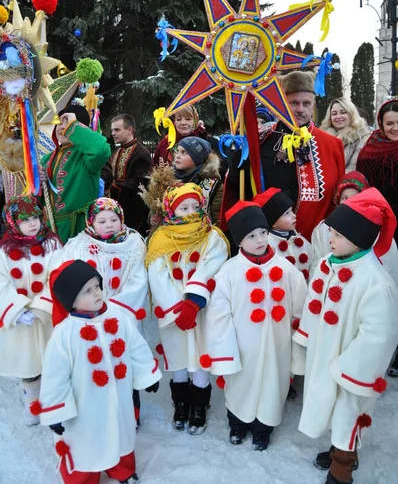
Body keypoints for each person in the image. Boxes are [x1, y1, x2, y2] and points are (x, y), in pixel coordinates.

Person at [293, 188, 398, 484]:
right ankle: (339, 449)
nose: (330, 239)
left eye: (338, 234)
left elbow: (378, 337)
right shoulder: (329, 263)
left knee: (348, 414)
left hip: (350, 367)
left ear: (360, 239)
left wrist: (345, 367)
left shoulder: (375, 284)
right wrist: (306, 342)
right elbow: (316, 305)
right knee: (333, 412)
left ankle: (341, 474)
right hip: (327, 355)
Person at [34, 259, 161, 484]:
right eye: (88, 291)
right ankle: (83, 481)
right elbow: (55, 377)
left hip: (118, 398)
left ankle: (123, 469)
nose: (97, 293)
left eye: (97, 286)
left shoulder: (119, 317)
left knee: (122, 434)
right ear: (71, 301)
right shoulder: (64, 334)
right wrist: (56, 412)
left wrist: (147, 375)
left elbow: (135, 346)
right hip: (84, 409)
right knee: (85, 445)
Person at [202, 201, 307, 450]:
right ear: (239, 241)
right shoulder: (228, 272)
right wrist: (223, 351)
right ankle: (237, 423)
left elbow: (301, 305)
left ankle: (264, 428)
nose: (260, 240)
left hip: (276, 345)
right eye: (251, 236)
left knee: (273, 385)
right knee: (240, 385)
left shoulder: (285, 268)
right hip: (243, 346)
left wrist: (299, 342)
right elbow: (218, 315)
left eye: (262, 232)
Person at [146, 183, 229, 435]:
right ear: (172, 209)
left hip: (201, 309)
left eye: (195, 206)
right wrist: (176, 307)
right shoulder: (161, 238)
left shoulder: (211, 235)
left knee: (201, 352)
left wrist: (193, 300)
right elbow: (157, 274)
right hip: (174, 313)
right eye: (183, 207)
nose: (191, 211)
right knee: (177, 352)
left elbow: (212, 264)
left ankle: (199, 404)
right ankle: (180, 401)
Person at [60, 197, 148, 426]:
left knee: (123, 362)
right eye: (102, 220)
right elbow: (71, 279)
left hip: (123, 317)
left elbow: (138, 281)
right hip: (90, 318)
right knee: (96, 365)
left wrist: (115, 310)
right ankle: (99, 413)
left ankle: (131, 411)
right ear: (91, 222)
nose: (109, 224)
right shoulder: (78, 246)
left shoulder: (134, 244)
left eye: (114, 219)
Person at [229, 71, 345, 241]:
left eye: (306, 103)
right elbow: (240, 188)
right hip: (265, 240)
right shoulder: (260, 139)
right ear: (281, 103)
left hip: (313, 239)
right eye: (294, 103)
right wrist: (237, 164)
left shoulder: (331, 144)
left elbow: (336, 197)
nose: (300, 109)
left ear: (313, 106)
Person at [0, 195, 61, 424]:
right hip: (22, 322)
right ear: (13, 221)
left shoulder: (52, 244)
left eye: (36, 217)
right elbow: (1, 282)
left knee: (53, 360)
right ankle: (32, 403)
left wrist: (41, 307)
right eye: (25, 220)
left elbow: (56, 276)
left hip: (47, 318)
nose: (33, 223)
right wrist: (16, 309)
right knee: (28, 365)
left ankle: (54, 402)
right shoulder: (4, 251)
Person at [310, 172, 398, 286]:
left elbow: (389, 267)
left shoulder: (376, 231)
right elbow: (317, 264)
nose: (349, 202)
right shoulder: (323, 229)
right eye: (344, 198)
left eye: (356, 197)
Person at [41, 104, 111, 244]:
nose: (61, 128)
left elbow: (101, 150)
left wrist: (73, 125)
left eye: (67, 123)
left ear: (79, 128)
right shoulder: (47, 159)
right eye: (59, 123)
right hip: (52, 229)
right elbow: (42, 199)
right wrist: (38, 183)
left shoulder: (86, 155)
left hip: (80, 227)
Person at [356, 97, 398, 243]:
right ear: (381, 124)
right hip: (382, 222)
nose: (395, 128)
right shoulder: (369, 152)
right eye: (389, 123)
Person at [253, 187, 313, 281]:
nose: (294, 215)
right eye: (287, 213)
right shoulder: (268, 246)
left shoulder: (301, 241)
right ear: (274, 223)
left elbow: (313, 264)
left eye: (292, 211)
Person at [108, 114, 152, 235]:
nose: (113, 133)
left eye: (117, 129)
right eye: (112, 130)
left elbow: (139, 183)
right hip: (116, 209)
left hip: (133, 212)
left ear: (129, 130)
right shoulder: (117, 152)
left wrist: (112, 189)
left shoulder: (141, 153)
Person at [173, 136, 224, 224]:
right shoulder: (169, 179)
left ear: (197, 158)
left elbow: (217, 219)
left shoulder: (213, 185)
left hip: (201, 234)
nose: (177, 156)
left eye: (184, 152)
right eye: (177, 151)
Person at [320, 97, 371, 172]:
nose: (338, 117)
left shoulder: (363, 137)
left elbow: (353, 169)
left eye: (343, 112)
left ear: (351, 114)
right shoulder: (322, 137)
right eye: (334, 114)